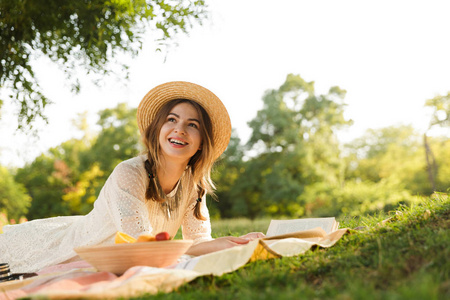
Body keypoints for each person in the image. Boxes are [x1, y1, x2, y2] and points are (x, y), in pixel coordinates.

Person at [0, 81, 264, 274]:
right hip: (68, 252)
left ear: (201, 143)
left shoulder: (193, 186)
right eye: (171, 120)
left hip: (115, 257)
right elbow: (142, 246)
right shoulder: (129, 173)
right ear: (158, 129)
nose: (179, 129)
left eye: (192, 125)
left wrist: (234, 244)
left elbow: (197, 243)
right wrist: (215, 246)